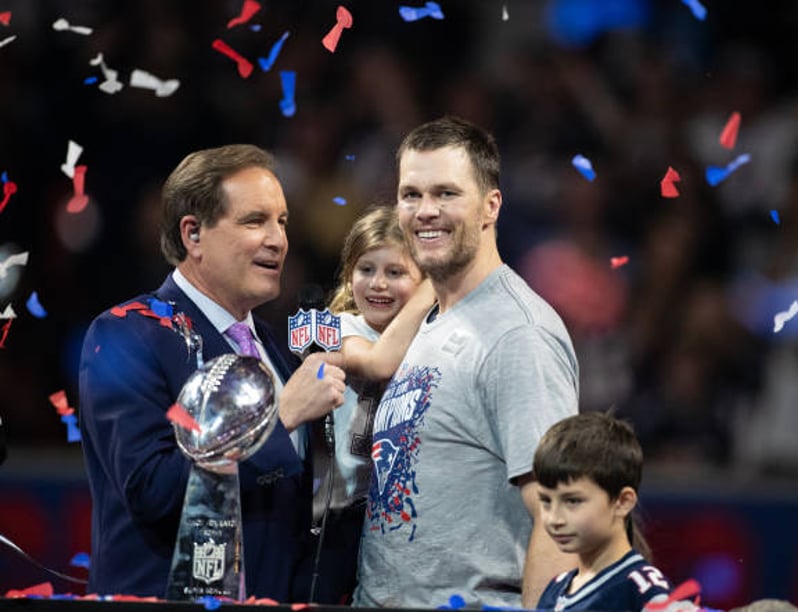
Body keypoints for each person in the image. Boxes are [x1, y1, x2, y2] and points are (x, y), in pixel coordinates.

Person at [78, 144, 346, 600]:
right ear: (193, 234)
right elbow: (151, 490)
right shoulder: (127, 334)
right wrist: (279, 418)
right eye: (254, 221)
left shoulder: (272, 349)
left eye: (282, 222)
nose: (278, 239)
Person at [354, 116, 580, 609]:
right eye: (410, 194)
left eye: (446, 194)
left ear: (490, 206)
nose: (425, 211)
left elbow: (557, 515)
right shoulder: (426, 316)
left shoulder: (519, 335)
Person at [308, 205, 435, 604]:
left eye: (395, 272)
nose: (378, 284)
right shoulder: (321, 327)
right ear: (348, 274)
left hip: (396, 518)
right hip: (331, 520)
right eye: (366, 269)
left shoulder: (432, 337)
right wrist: (437, 280)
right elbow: (379, 363)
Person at [534, 412, 696, 611]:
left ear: (622, 502)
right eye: (546, 501)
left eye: (573, 501)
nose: (554, 519)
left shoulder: (642, 589)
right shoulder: (555, 589)